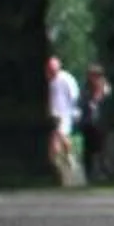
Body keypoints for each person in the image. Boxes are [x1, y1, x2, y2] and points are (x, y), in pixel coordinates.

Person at [45, 55, 82, 185]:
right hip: (54, 113)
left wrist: (75, 110)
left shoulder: (66, 79)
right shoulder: (49, 80)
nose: (52, 71)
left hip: (65, 113)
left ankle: (67, 157)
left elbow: (74, 95)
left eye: (54, 69)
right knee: (56, 138)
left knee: (60, 135)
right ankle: (58, 162)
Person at [77, 63, 113, 184]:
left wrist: (101, 94)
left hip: (102, 123)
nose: (95, 78)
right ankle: (89, 175)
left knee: (103, 149)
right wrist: (92, 101)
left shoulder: (106, 88)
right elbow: (81, 103)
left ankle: (105, 174)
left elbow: (109, 103)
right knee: (88, 150)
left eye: (97, 76)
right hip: (88, 123)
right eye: (92, 76)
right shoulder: (85, 89)